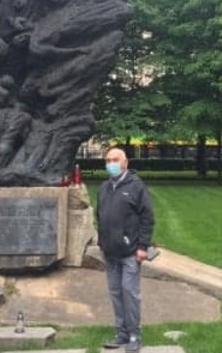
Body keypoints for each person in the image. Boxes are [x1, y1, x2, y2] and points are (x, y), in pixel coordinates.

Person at [97, 148, 155, 352]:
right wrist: (102, 243)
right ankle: (121, 333)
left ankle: (134, 335)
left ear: (125, 162)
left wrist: (143, 247)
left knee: (130, 293)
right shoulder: (104, 188)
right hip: (110, 253)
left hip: (131, 253)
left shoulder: (136, 187)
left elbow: (147, 218)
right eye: (107, 160)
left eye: (115, 160)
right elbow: (100, 216)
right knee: (116, 293)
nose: (111, 164)